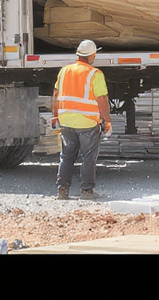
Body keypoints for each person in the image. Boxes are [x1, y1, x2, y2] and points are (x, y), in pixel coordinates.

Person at [52, 39, 111, 200]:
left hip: (66, 121)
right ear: (92, 55)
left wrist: (55, 115)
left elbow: (56, 94)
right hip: (87, 122)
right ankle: (86, 191)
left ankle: (62, 190)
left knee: (66, 156)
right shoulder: (95, 74)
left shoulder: (64, 71)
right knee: (88, 157)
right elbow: (101, 99)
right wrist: (107, 120)